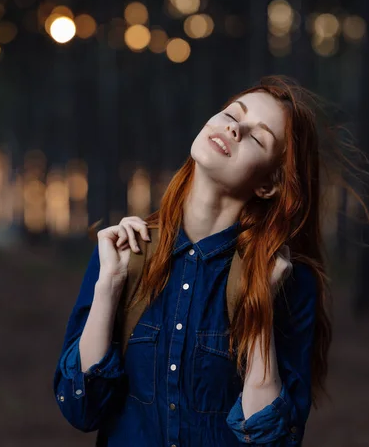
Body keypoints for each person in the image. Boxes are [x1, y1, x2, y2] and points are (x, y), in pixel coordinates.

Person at [53, 76, 353, 446]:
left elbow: (271, 441)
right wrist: (109, 285)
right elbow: (81, 410)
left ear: (269, 184)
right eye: (231, 114)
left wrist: (260, 309)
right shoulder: (124, 253)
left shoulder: (288, 280)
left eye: (257, 137)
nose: (234, 128)